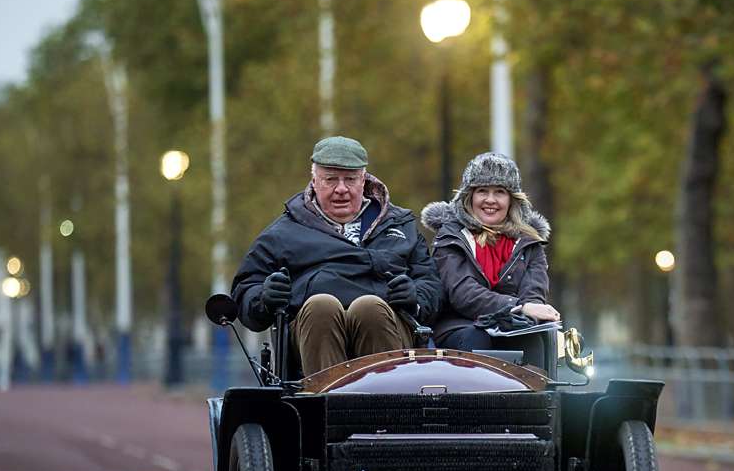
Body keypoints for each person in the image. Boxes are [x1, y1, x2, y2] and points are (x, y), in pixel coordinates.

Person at [230, 136, 442, 375]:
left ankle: (384, 406)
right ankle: (325, 407)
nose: (341, 189)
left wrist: (415, 297)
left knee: (369, 307)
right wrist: (265, 297)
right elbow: (246, 291)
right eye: (330, 179)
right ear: (314, 181)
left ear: (364, 181)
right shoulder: (283, 233)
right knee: (322, 306)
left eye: (350, 179)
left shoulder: (401, 225)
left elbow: (431, 284)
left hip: (386, 323)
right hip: (314, 329)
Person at [420, 152, 559, 362]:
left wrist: (530, 310)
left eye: (500, 192)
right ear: (470, 196)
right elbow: (462, 293)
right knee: (477, 338)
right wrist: (518, 307)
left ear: (512, 199)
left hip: (514, 326)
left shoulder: (529, 243)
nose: (490, 200)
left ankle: (538, 394)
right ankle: (479, 396)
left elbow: (534, 292)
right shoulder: (450, 238)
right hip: (461, 326)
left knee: (533, 340)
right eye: (482, 191)